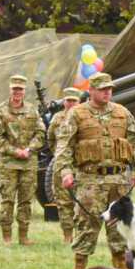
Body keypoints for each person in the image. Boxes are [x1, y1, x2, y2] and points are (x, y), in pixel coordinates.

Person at [55, 72, 135, 269]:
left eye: (110, 89)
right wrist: (66, 172)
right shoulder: (77, 114)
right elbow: (64, 145)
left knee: (119, 225)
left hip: (118, 180)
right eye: (103, 89)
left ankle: (120, 265)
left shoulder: (122, 113)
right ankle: (80, 267)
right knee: (86, 223)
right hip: (89, 180)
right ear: (92, 91)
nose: (107, 92)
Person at [0, 74, 47, 245]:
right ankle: (7, 237)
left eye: (20, 89)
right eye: (14, 89)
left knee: (26, 201)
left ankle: (23, 236)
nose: (17, 92)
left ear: (24, 91)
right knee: (7, 200)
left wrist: (29, 149)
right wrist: (16, 152)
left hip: (29, 163)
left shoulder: (32, 110)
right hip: (8, 164)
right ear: (10, 89)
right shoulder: (0, 111)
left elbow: (40, 133)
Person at [47, 87, 84, 245]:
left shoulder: (85, 117)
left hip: (82, 166)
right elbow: (50, 140)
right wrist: (60, 155)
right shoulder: (57, 119)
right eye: (68, 101)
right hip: (62, 167)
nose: (70, 104)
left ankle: (82, 234)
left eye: (74, 101)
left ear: (79, 102)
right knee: (63, 202)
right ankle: (67, 235)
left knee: (83, 201)